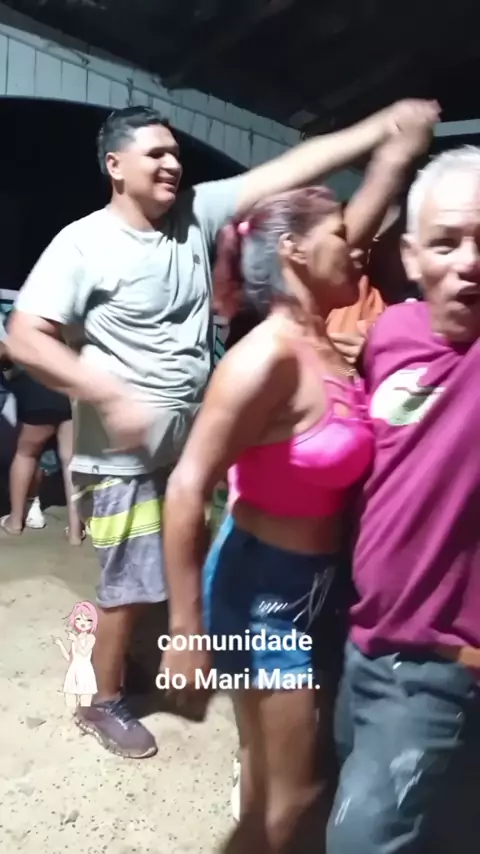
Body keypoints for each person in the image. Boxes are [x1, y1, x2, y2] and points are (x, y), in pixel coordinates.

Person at [6, 101, 435, 761]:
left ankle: (127, 659)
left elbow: (288, 170)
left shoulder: (195, 215)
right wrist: (106, 394)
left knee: (167, 566)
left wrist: (377, 130)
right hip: (119, 458)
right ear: (115, 166)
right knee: (132, 586)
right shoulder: (83, 244)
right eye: (156, 154)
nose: (172, 163)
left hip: (179, 447)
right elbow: (24, 336)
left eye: (175, 153)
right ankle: (100, 699)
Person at [160, 108, 437, 853]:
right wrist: (185, 632)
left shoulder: (326, 339)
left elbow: (356, 225)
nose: (357, 247)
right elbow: (187, 487)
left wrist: (396, 155)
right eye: (341, 237)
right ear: (293, 250)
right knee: (294, 799)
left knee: (274, 784)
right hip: (262, 592)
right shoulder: (266, 358)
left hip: (321, 584)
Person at [326, 146, 480, 854]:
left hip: (440, 668)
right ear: (412, 257)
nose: (469, 262)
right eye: (446, 243)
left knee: (362, 839)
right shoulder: (391, 334)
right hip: (362, 642)